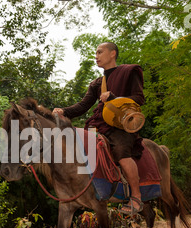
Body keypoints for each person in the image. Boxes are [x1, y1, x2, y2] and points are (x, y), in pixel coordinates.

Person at [53, 42, 145, 215]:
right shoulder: (97, 83)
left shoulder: (129, 72)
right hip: (98, 124)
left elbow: (139, 98)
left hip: (121, 126)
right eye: (95, 53)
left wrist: (114, 97)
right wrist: (63, 111)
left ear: (112, 54)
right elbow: (83, 106)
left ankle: (136, 197)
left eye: (99, 52)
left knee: (122, 154)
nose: (96, 56)